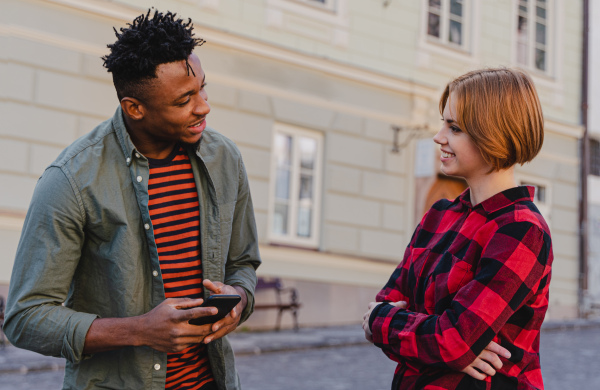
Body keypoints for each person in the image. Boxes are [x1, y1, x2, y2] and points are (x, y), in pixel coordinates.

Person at [4, 10, 261, 390]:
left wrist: (239, 300)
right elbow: (25, 318)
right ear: (134, 108)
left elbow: (243, 263)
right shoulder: (71, 180)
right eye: (184, 99)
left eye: (203, 88)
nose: (204, 106)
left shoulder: (225, 159)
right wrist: (139, 331)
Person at [363, 68, 552, 389]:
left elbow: (452, 339)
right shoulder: (438, 216)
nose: (439, 137)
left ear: (494, 133)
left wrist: (444, 341)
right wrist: (445, 342)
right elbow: (382, 307)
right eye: (443, 123)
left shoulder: (521, 229)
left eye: (455, 127)